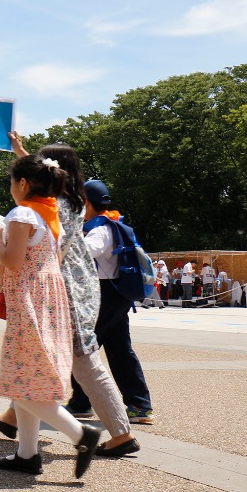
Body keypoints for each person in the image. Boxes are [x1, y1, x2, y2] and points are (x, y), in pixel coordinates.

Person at [0, 138, 139, 458]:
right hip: (75, 286)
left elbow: (19, 255)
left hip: (63, 291)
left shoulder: (49, 205)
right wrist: (21, 153)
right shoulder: (71, 200)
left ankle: (119, 433)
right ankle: (15, 422)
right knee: (36, 357)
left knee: (81, 361)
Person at [0, 154, 100, 478]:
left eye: (11, 182)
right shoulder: (50, 219)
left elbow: (14, 260)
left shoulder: (22, 213)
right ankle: (27, 453)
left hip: (29, 300)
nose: (11, 188)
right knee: (28, 376)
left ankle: (81, 434)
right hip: (49, 299)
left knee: (22, 380)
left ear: (22, 184)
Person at [69, 179, 155, 426]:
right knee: (120, 350)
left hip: (105, 293)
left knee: (83, 346)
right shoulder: (115, 223)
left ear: (86, 202)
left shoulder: (100, 229)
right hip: (118, 293)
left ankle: (81, 403)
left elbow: (83, 252)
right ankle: (139, 404)